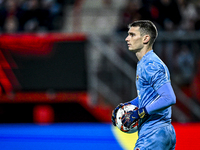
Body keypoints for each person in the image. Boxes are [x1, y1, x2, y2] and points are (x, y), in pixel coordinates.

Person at [111, 20, 176, 150]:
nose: (127, 38)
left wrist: (139, 113)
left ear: (145, 38)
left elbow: (169, 98)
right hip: (160, 132)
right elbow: (151, 96)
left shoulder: (150, 65)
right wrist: (128, 106)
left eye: (132, 34)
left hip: (153, 133)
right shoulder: (145, 63)